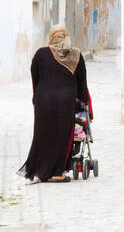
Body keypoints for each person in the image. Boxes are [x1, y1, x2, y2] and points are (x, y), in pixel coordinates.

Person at [17, 25, 93, 182]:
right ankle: (58, 173)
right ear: (67, 37)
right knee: (61, 135)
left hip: (43, 100)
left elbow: (35, 78)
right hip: (66, 101)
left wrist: (35, 97)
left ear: (50, 37)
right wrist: (84, 102)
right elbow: (82, 85)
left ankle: (38, 170)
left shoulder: (41, 54)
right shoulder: (76, 55)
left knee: (42, 134)